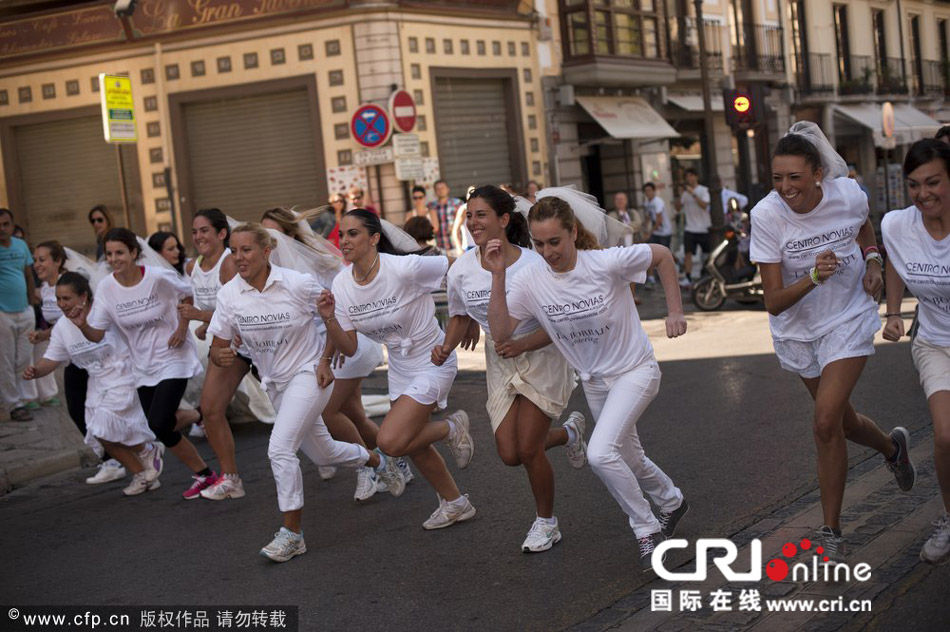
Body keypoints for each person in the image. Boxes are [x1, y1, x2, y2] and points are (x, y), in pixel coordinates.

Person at [486, 194, 689, 569]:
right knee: (629, 456)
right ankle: (672, 500)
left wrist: (675, 311)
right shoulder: (531, 281)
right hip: (595, 381)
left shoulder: (605, 263)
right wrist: (498, 275)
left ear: (573, 232)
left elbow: (661, 254)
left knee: (599, 453)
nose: (547, 252)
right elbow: (500, 333)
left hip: (635, 370)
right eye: (539, 243)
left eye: (554, 242)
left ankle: (647, 530)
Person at [749, 121, 916, 562]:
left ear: (819, 174)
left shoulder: (848, 194)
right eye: (778, 178)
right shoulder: (766, 216)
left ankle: (831, 531)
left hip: (848, 315)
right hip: (798, 330)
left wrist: (873, 260)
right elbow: (773, 302)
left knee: (824, 423)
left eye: (795, 178)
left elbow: (862, 227)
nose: (785, 187)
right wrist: (813, 276)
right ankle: (892, 448)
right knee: (842, 423)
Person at [208, 223, 403, 561]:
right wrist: (219, 354)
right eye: (234, 251)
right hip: (275, 383)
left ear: (267, 251)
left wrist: (326, 360)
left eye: (246, 250)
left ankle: (292, 534)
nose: (239, 257)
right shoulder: (229, 295)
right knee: (323, 453)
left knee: (279, 449)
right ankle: (375, 460)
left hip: (309, 374)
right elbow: (217, 345)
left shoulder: (296, 284)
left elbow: (333, 316)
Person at [437, 185, 586, 553]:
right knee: (509, 453)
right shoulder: (460, 270)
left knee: (530, 449)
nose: (473, 222)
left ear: (504, 220)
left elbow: (558, 323)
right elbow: (459, 315)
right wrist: (444, 346)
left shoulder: (534, 265)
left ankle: (546, 523)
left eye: (482, 215)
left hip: (541, 353)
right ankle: (568, 434)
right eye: (469, 215)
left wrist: (521, 343)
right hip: (500, 358)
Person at [321, 209, 476, 529]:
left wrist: (467, 314)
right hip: (400, 365)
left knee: (391, 442)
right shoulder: (341, 284)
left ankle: (451, 428)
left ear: (374, 238)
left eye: (353, 234)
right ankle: (455, 503)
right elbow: (348, 347)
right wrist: (329, 318)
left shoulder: (404, 267)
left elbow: (458, 268)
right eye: (342, 234)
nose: (344, 241)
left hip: (433, 357)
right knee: (411, 441)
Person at [67, 227, 216, 499]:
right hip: (142, 366)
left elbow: (188, 294)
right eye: (110, 254)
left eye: (120, 252)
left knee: (159, 423)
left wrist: (182, 327)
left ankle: (205, 473)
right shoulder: (106, 288)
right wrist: (81, 326)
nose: (114, 259)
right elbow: (97, 334)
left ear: (134, 253)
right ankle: (204, 468)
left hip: (174, 357)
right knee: (157, 423)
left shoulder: (158, 278)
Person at [261, 207, 396, 502]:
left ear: (289, 234)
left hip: (343, 347)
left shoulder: (316, 262)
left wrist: (329, 352)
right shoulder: (272, 272)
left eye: (273, 234)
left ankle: (368, 467)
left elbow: (345, 303)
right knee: (354, 413)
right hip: (322, 351)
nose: (268, 241)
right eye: (264, 235)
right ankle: (397, 461)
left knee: (328, 411)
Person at [24, 272, 164, 495]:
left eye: (67, 298)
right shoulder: (61, 327)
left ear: (83, 297)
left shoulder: (105, 312)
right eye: (58, 299)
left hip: (123, 375)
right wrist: (36, 370)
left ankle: (147, 449)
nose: (62, 304)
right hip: (97, 382)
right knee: (99, 433)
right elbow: (52, 358)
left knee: (107, 427)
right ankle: (142, 473)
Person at [881, 138, 950, 564]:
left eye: (934, 182)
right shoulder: (896, 225)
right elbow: (894, 259)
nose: (923, 194)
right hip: (935, 343)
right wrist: (892, 312)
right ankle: (948, 515)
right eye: (914, 185)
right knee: (945, 436)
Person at [168, 208, 250, 499]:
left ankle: (351, 455)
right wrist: (202, 325)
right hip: (231, 345)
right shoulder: (194, 266)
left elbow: (237, 311)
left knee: (297, 408)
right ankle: (231, 479)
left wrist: (201, 317)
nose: (198, 236)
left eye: (204, 230)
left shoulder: (229, 264)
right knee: (212, 409)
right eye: (194, 231)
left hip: (257, 338)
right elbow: (202, 304)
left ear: (222, 234)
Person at [0, 208, 37, 422]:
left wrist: (32, 303)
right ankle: (15, 404)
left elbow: (29, 275)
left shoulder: (21, 246)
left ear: (12, 226)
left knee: (23, 358)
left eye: (6, 224)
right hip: (3, 313)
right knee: (4, 359)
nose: (2, 229)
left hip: (24, 310)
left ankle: (18, 397)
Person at [26, 242, 64, 408]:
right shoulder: (45, 289)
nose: (37, 265)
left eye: (42, 260)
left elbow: (69, 322)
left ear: (58, 261)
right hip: (68, 354)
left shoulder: (68, 284)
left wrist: (44, 334)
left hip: (84, 351)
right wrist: (37, 371)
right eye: (35, 260)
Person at [673, 169, 711, 286]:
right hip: (690, 228)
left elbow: (704, 205)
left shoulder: (703, 190)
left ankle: (706, 275)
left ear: (696, 177)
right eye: (687, 177)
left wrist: (693, 194)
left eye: (691, 176)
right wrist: (680, 195)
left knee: (706, 254)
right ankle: (688, 277)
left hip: (704, 228)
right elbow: (678, 208)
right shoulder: (685, 193)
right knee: (687, 254)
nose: (689, 179)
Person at [428, 180, 463, 253]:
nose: (440, 191)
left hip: (456, 245)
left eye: (443, 188)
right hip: (439, 247)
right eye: (438, 189)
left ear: (448, 189)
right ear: (435, 191)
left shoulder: (457, 203)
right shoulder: (431, 206)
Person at [645, 183, 672, 248]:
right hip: (655, 232)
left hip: (664, 232)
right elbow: (648, 217)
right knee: (654, 252)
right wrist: (645, 229)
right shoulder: (647, 203)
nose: (647, 192)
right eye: (646, 191)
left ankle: (675, 258)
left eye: (649, 190)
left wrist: (649, 233)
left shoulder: (658, 201)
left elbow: (659, 220)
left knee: (664, 253)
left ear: (654, 191)